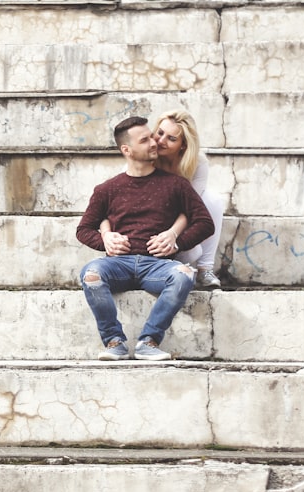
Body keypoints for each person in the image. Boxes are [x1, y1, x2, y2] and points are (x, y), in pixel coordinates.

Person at [77, 116, 214, 361]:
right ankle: (114, 342)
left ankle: (149, 341)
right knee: (91, 274)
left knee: (184, 274)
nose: (154, 143)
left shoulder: (177, 185)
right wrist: (104, 240)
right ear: (127, 150)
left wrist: (177, 242)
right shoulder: (107, 189)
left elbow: (205, 223)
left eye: (152, 136)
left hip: (158, 266)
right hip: (118, 264)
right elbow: (84, 229)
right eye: (145, 140)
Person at [152, 109, 225, 288]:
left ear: (183, 145)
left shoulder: (197, 162)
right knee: (191, 252)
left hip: (179, 220)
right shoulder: (145, 154)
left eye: (172, 138)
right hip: (151, 224)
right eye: (160, 133)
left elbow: (192, 206)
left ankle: (204, 269)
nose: (161, 141)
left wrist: (173, 234)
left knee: (212, 200)